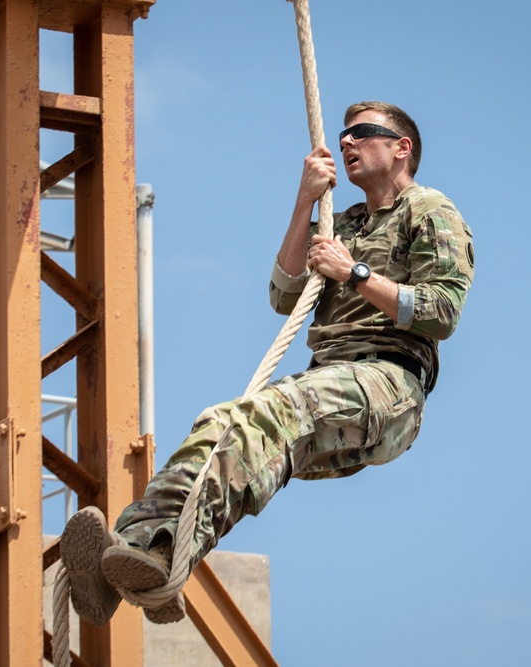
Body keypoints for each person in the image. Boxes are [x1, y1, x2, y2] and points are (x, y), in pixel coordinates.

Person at [60, 101, 475, 626]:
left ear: (401, 148)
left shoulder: (430, 210)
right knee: (224, 431)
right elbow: (284, 295)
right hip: (331, 379)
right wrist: (305, 201)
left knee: (272, 413)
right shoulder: (341, 222)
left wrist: (355, 274)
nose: (346, 142)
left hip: (387, 384)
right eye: (343, 136)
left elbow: (441, 312)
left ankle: (157, 553)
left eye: (362, 133)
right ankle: (150, 557)